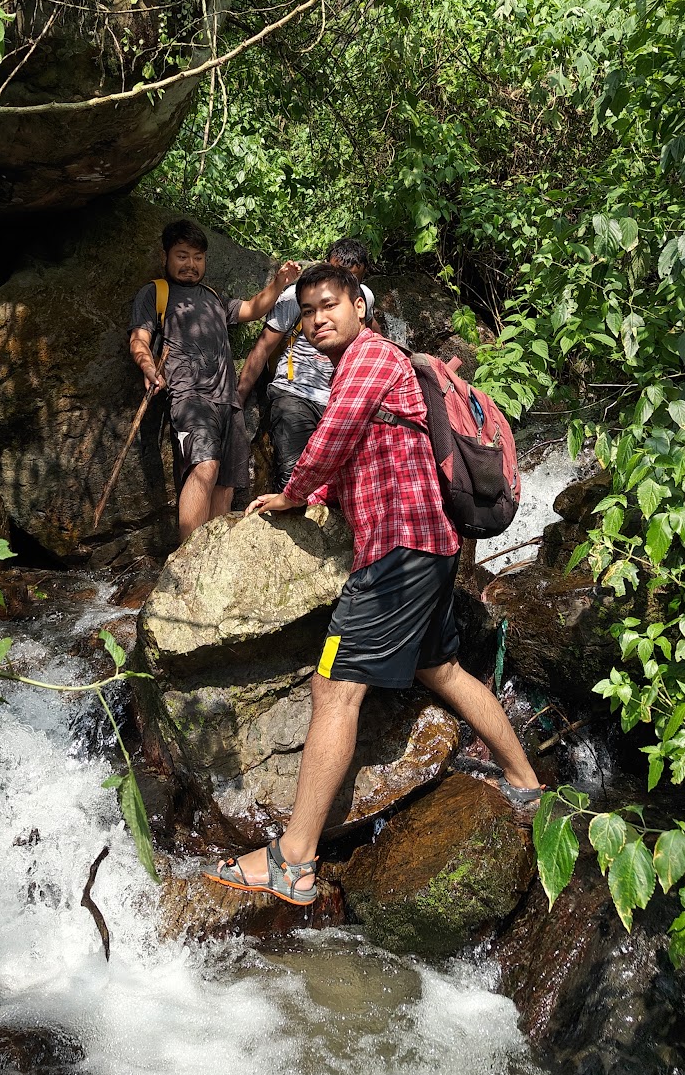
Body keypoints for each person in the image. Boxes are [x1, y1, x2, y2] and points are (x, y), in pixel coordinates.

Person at [203, 260, 541, 905]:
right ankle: (525, 782)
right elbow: (368, 450)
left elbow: (329, 440)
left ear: (358, 305)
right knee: (439, 670)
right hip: (430, 547)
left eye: (328, 304)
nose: (317, 318)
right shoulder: (369, 366)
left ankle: (293, 858)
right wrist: (323, 491)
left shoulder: (370, 358)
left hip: (396, 552)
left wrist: (292, 492)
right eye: (306, 312)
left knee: (334, 686)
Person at [129, 219, 300, 542]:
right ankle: (187, 559)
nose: (191, 265)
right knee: (204, 466)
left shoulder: (212, 296)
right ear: (165, 255)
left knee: (225, 481)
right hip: (190, 399)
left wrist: (279, 283)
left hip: (229, 401)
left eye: (197, 257)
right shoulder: (156, 293)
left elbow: (251, 309)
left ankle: (210, 559)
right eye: (182, 256)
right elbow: (139, 339)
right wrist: (148, 368)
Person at [236, 237, 378, 490]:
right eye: (336, 274)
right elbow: (264, 347)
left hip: (340, 398)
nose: (342, 285)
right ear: (325, 265)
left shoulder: (363, 298)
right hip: (295, 392)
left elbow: (373, 335)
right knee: (293, 474)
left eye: (352, 279)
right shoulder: (296, 295)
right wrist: (238, 398)